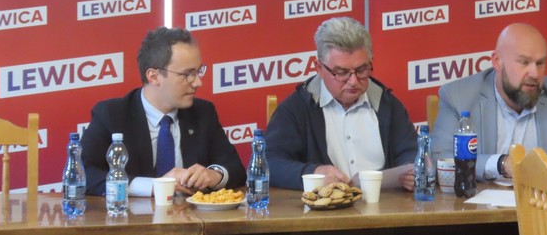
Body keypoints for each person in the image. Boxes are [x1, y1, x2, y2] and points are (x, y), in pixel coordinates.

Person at [431, 23, 547, 180]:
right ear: (497, 61)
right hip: (480, 210)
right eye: (524, 62)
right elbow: (438, 159)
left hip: (543, 208)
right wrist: (501, 164)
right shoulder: (459, 96)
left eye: (540, 63)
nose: (535, 74)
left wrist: (544, 165)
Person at [81, 27, 246, 196]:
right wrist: (154, 186)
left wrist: (214, 175)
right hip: (135, 212)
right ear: (154, 77)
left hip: (189, 212)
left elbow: (236, 169)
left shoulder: (203, 112)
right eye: (187, 74)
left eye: (198, 72)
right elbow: (83, 173)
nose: (198, 82)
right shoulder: (111, 114)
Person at [265, 17, 418, 191]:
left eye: (361, 70)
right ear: (319, 68)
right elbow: (268, 163)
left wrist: (411, 172)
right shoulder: (297, 108)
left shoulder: (388, 105)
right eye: (341, 72)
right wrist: (314, 173)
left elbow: (412, 153)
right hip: (325, 207)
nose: (353, 81)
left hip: (385, 204)